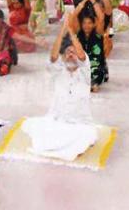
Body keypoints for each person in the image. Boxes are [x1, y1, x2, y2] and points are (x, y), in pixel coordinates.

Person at [22, 14, 97, 161]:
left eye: (73, 52)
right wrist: (62, 31)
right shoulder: (58, 71)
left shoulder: (84, 73)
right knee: (44, 133)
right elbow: (53, 57)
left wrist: (71, 31)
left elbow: (82, 56)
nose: (70, 55)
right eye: (67, 52)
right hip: (57, 120)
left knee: (85, 135)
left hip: (79, 123)